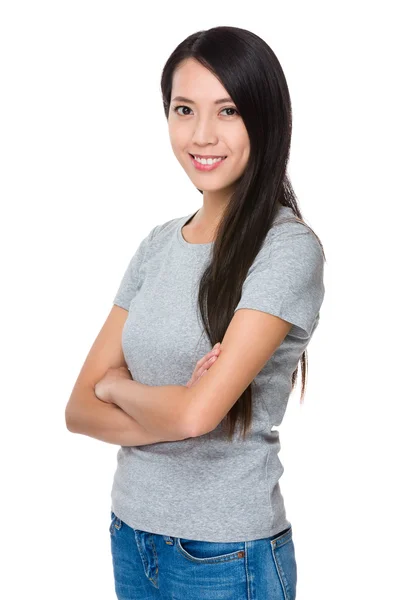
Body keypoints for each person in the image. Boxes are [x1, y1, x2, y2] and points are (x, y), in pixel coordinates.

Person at [66, 25, 326, 600]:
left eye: (227, 110)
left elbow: (192, 417)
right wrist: (174, 402)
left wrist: (119, 387)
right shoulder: (158, 244)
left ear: (265, 117)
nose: (202, 134)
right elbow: (77, 410)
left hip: (226, 553)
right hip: (132, 534)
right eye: (184, 109)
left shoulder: (286, 249)